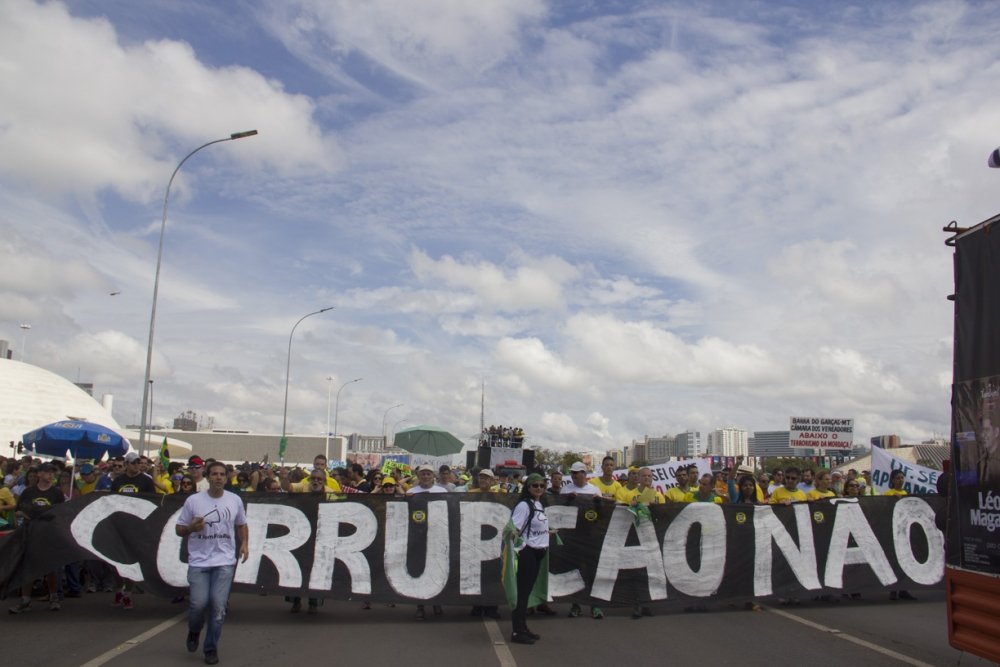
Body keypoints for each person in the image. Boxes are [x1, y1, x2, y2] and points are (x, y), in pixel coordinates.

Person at [176, 460, 248, 665]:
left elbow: (242, 524)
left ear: (226, 478)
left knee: (218, 607)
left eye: (222, 474)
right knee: (198, 604)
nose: (218, 477)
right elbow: (179, 529)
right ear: (207, 477)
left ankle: (210, 648)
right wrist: (191, 528)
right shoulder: (193, 501)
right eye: (214, 474)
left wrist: (245, 544)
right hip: (199, 561)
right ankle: (194, 630)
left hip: (224, 561)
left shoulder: (234, 500)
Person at [8, 462, 64, 613]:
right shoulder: (29, 492)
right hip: (31, 533)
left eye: (52, 472)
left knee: (50, 567)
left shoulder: (56, 493)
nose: (50, 475)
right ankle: (25, 600)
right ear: (39, 474)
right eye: (47, 472)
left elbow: (60, 513)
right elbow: (18, 511)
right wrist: (29, 516)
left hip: (48, 534)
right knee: (28, 566)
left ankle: (54, 597)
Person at [508, 473, 550, 645]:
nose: (539, 488)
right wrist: (521, 546)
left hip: (538, 552)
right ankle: (517, 631)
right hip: (527, 553)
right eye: (535, 485)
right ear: (528, 487)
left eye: (541, 485)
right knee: (523, 593)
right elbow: (513, 528)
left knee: (527, 592)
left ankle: (523, 627)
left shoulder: (538, 504)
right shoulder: (524, 506)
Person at [407, 464, 446, 620]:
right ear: (418, 475)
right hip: (417, 538)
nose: (425, 477)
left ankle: (437, 602)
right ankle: (420, 606)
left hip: (437, 536)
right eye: (423, 474)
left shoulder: (442, 492)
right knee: (418, 569)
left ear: (433, 476)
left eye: (428, 474)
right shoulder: (411, 492)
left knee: (437, 570)